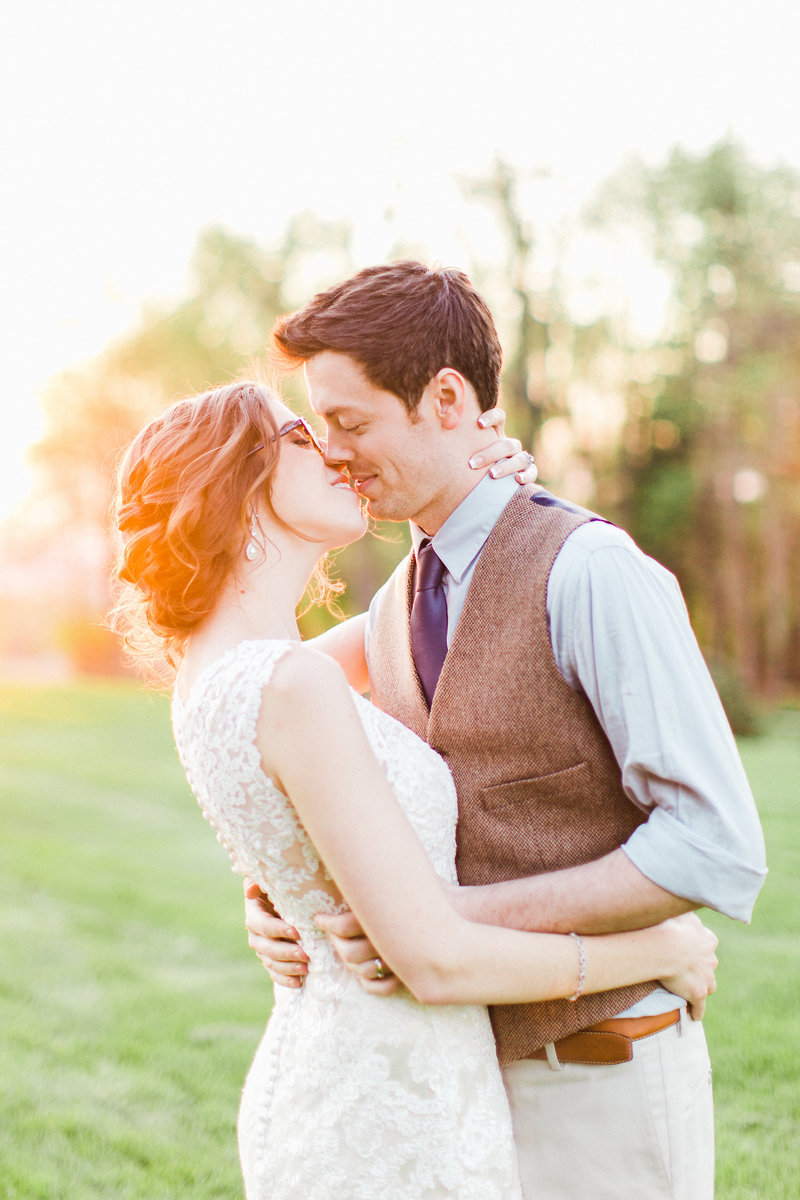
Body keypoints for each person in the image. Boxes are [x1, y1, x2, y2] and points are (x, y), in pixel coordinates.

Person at [113, 379, 720, 1200]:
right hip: (387, 1106)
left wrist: (484, 494)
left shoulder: (224, 675)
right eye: (299, 435)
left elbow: (456, 606)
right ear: (236, 480)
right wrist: (659, 949)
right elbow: (432, 959)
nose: (331, 449)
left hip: (357, 1076)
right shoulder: (291, 684)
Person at [244, 261, 767, 1200]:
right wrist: (272, 892)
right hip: (458, 1097)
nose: (332, 452)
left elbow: (715, 847)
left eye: (350, 422)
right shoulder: (399, 599)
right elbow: (255, 714)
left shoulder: (593, 570)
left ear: (446, 399)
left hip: (601, 1081)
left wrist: (441, 924)